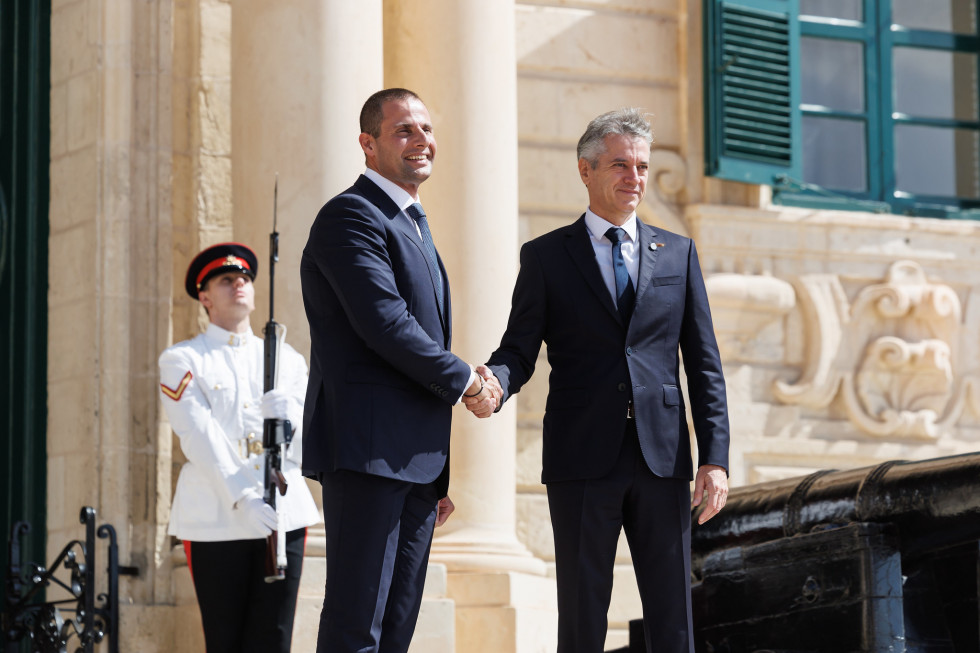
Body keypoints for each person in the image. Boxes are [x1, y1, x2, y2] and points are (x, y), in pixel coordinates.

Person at [468, 108, 731, 653]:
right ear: (586, 171)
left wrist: (716, 457)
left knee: (673, 615)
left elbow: (704, 362)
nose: (633, 178)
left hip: (662, 457)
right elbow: (519, 349)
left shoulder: (678, 254)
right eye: (619, 165)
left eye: (640, 167)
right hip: (582, 457)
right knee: (583, 613)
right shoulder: (545, 257)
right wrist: (494, 383)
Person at [300, 88, 497, 653]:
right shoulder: (350, 215)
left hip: (413, 460)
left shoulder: (413, 222)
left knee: (397, 626)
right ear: (368, 144)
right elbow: (385, 324)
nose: (422, 141)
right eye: (404, 130)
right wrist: (469, 381)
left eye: (427, 130)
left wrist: (434, 474)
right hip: (367, 453)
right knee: (357, 621)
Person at [159, 242, 321, 653]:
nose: (239, 285)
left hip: (281, 513)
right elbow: (199, 436)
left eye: (245, 278)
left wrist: (290, 420)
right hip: (218, 516)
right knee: (225, 639)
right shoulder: (182, 360)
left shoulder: (288, 360)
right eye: (226, 280)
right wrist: (244, 496)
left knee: (274, 637)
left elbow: (309, 447)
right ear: (205, 296)